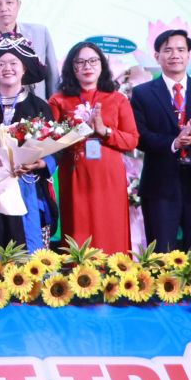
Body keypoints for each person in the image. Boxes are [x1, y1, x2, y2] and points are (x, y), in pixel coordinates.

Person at [131, 29, 191, 252]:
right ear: (157, 56)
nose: (174, 55)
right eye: (168, 50)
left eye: (180, 49)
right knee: (161, 252)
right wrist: (174, 143)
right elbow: (140, 136)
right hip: (160, 183)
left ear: (188, 55)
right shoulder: (142, 93)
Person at [49, 41, 140, 252]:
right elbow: (50, 141)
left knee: (110, 229)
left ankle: (114, 271)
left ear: (102, 65)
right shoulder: (58, 101)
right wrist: (78, 132)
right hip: (75, 174)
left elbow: (132, 140)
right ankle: (81, 273)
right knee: (79, 231)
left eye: (92, 61)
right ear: (72, 68)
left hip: (109, 175)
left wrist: (104, 131)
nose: (87, 66)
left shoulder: (117, 99)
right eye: (80, 62)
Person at [0, 34, 55, 252]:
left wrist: (40, 163)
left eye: (13, 63)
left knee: (32, 255)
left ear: (24, 68)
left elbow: (55, 147)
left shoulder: (40, 107)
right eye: (1, 64)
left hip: (29, 187)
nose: (7, 68)